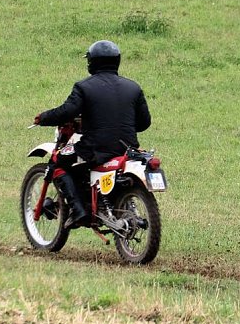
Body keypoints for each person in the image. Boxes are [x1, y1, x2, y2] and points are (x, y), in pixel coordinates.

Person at [34, 40, 152, 227]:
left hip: (96, 147)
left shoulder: (83, 87)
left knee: (58, 161)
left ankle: (78, 210)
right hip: (127, 149)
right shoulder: (133, 87)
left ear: (92, 62)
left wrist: (44, 118)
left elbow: (67, 112)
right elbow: (144, 122)